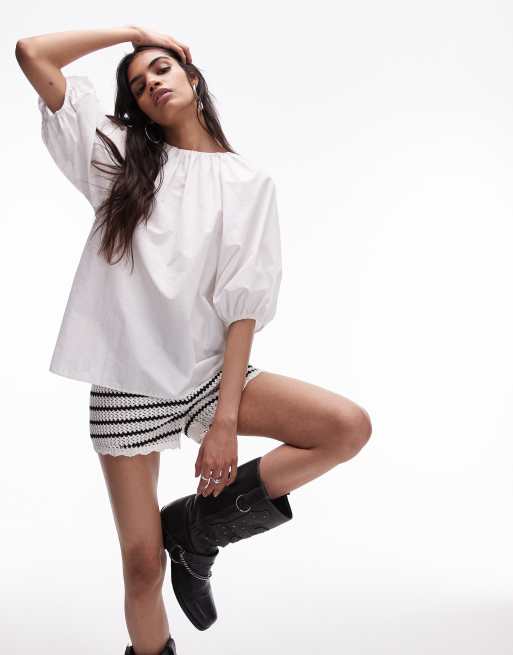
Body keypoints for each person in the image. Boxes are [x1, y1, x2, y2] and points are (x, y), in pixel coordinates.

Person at [15, 25, 373, 655]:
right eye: (137, 84)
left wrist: (225, 423)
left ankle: (198, 528)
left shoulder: (247, 183)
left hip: (208, 376)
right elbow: (32, 54)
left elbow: (242, 310)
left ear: (192, 76)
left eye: (160, 68)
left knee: (345, 427)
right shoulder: (119, 158)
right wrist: (134, 32)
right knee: (141, 568)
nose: (151, 83)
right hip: (127, 387)